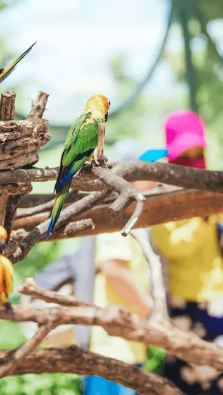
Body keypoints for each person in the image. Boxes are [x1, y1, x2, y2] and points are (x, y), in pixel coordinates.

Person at [34, 139, 159, 395]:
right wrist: (149, 309)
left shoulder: (131, 214)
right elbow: (114, 269)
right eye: (149, 169)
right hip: (112, 346)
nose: (157, 176)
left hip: (121, 344)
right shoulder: (118, 215)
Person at [150, 111, 223, 395]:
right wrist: (204, 217)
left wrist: (221, 205)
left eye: (197, 152)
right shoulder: (161, 195)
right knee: (203, 386)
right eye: (185, 154)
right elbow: (173, 247)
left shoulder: (220, 183)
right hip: (193, 305)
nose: (193, 159)